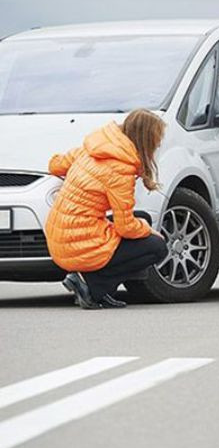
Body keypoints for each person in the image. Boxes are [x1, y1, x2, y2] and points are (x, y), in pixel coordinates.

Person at [45, 109, 169, 309]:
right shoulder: (120, 169)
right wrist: (148, 229)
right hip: (78, 243)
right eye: (157, 140)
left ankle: (93, 284)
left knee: (142, 218)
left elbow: (55, 165)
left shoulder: (95, 148)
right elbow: (125, 227)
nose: (158, 145)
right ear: (146, 140)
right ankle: (92, 286)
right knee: (157, 246)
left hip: (60, 234)